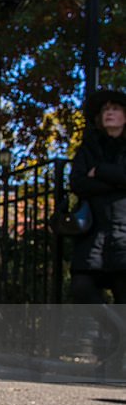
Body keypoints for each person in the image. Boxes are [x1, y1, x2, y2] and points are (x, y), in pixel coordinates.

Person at [69, 87, 126, 304]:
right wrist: (117, 182)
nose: (109, 113)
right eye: (105, 110)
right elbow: (78, 183)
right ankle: (114, 331)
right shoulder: (88, 148)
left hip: (124, 232)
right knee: (82, 288)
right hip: (94, 232)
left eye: (115, 109)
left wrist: (100, 172)